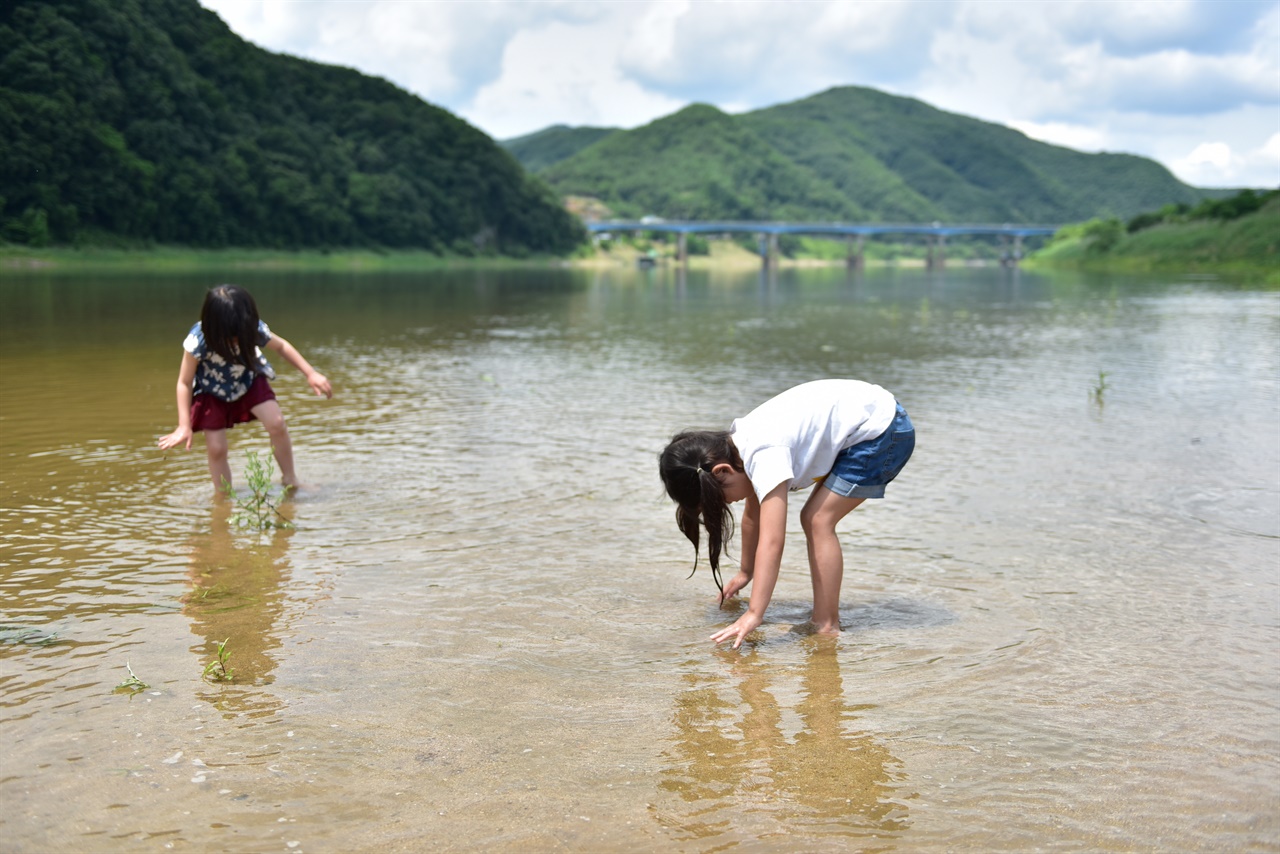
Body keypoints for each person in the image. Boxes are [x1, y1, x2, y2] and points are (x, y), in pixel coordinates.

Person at [659, 379, 914, 649]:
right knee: (814, 517)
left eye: (721, 499)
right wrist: (746, 572)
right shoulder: (740, 447)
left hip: (883, 431)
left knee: (817, 520)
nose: (730, 503)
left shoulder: (765, 454)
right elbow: (753, 517)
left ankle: (827, 625)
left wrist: (754, 614)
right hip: (869, 414)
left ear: (723, 471)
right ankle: (824, 619)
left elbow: (772, 541)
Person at [158, 284, 332, 490]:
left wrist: (310, 373)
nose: (235, 342)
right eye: (230, 338)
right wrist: (184, 425)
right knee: (216, 448)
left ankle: (290, 478)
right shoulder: (198, 340)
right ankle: (223, 499)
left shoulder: (251, 327)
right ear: (212, 328)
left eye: (239, 337)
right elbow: (184, 382)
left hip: (247, 380)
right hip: (210, 391)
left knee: (277, 423)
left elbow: (281, 346)